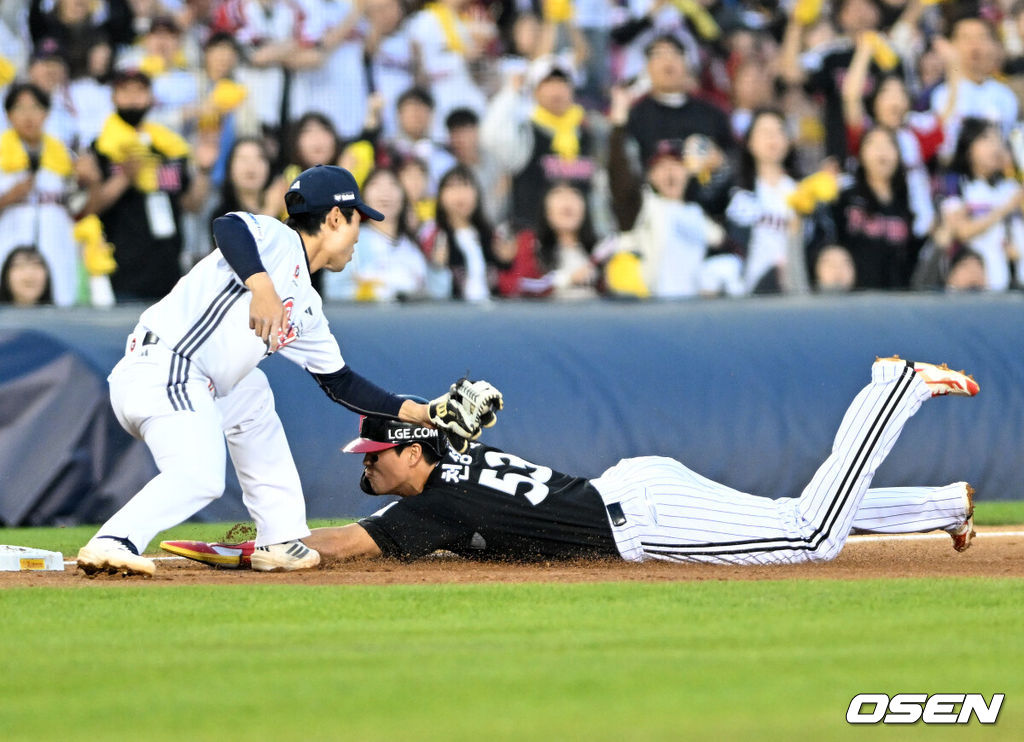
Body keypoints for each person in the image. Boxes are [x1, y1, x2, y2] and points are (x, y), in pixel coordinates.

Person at [76, 164, 500, 578]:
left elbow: (340, 382)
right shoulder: (277, 239)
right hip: (164, 369)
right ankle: (115, 541)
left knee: (252, 390)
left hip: (198, 385)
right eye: (357, 221)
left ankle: (279, 538)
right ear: (334, 217)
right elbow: (228, 226)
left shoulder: (308, 305)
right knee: (200, 479)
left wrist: (424, 414)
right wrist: (260, 286)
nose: (360, 234)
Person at [164, 357, 979, 569]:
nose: (366, 470)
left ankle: (892, 390)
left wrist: (252, 554)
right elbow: (471, 414)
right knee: (780, 515)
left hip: (639, 520)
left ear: (410, 455)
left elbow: (335, 548)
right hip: (635, 487)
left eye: (375, 458)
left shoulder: (428, 502)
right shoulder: (448, 461)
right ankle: (941, 505)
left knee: (807, 535)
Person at [82, 69, 217, 302]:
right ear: (114, 97)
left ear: (150, 97)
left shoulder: (169, 146)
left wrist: (204, 171)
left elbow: (191, 204)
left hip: (169, 268)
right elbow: (88, 210)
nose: (134, 98)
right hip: (121, 269)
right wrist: (124, 177)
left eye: (140, 91)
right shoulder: (101, 148)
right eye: (126, 91)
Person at [0, 82, 80, 307]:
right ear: (8, 115)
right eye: (20, 108)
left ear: (46, 113)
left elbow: (80, 209)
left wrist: (90, 183)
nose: (28, 116)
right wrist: (9, 197)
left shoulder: (65, 156)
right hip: (8, 246)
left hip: (55, 246)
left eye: (35, 107)